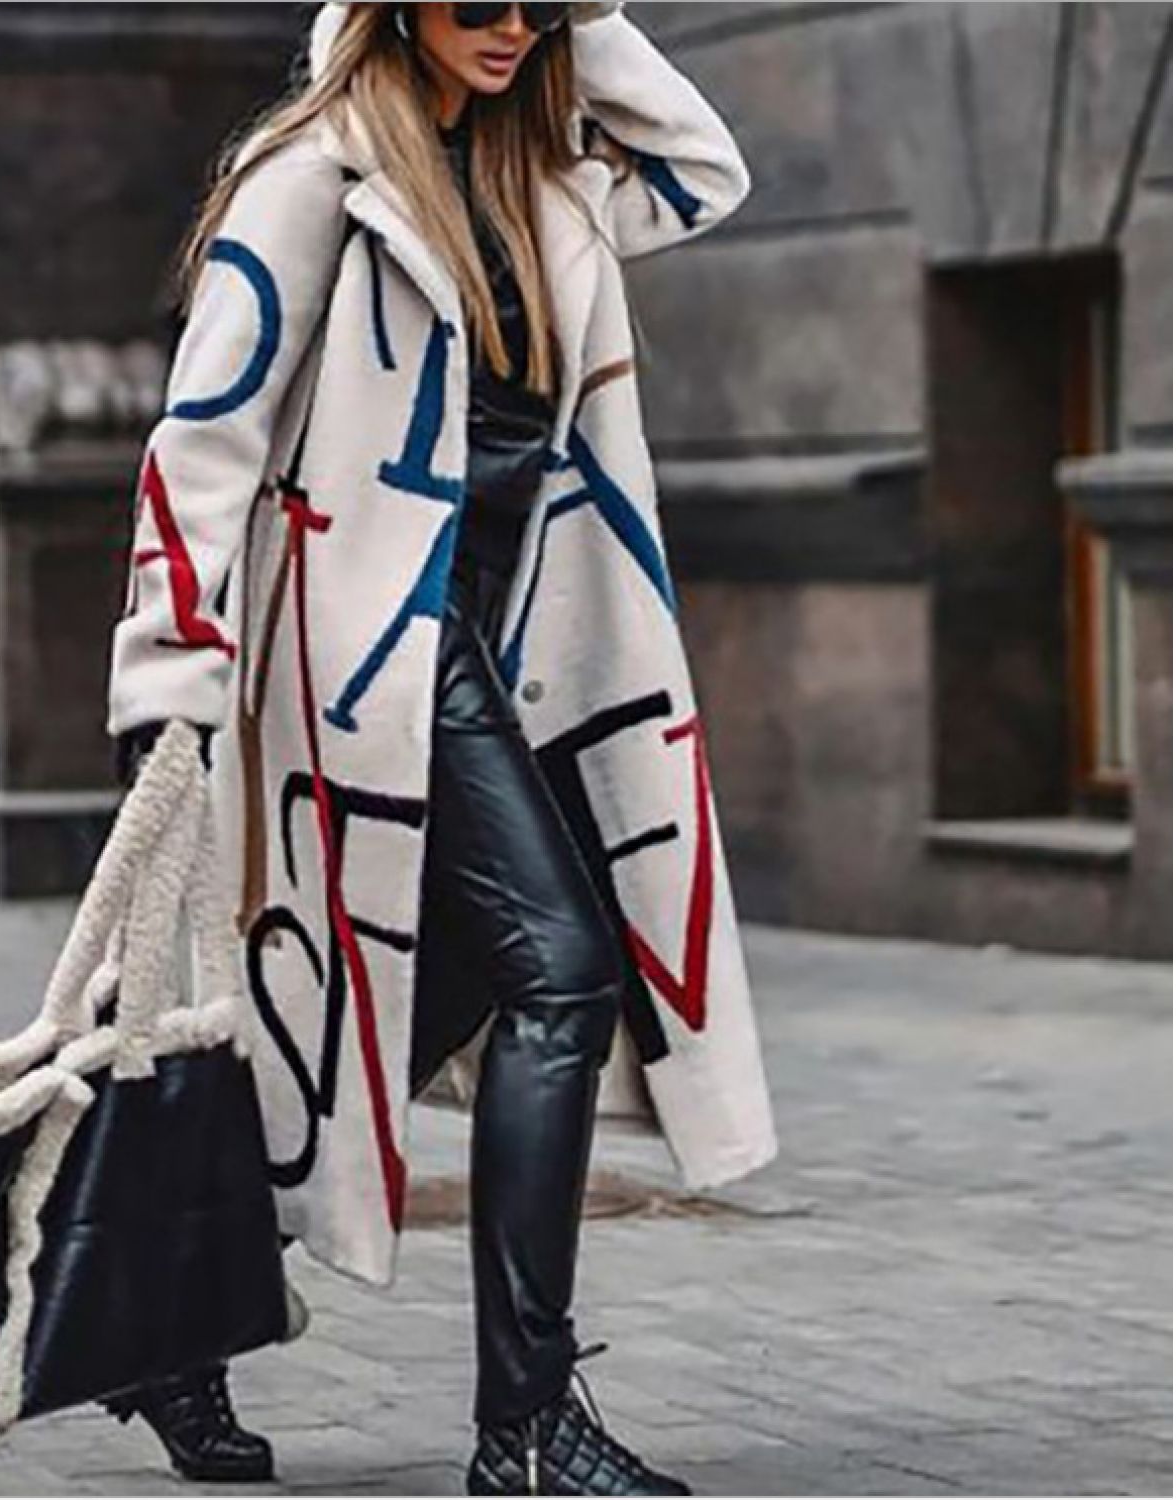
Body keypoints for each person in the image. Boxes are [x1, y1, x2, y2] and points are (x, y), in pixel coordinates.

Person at [102, 3, 776, 1493]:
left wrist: (588, 25)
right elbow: (201, 439)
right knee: (565, 970)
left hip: (512, 639)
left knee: (451, 978)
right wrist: (168, 673)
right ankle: (525, 1425)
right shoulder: (314, 179)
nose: (512, 25)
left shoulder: (552, 185)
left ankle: (170, 1304)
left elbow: (704, 169)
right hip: (376, 646)